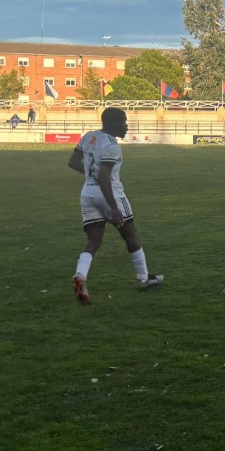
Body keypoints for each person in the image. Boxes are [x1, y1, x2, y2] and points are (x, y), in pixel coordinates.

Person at [67, 107, 163, 304]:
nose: (126, 126)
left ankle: (80, 275)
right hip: (110, 195)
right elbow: (104, 177)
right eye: (123, 122)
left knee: (93, 240)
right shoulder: (112, 146)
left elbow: (73, 162)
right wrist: (113, 207)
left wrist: (89, 175)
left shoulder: (89, 137)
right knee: (131, 236)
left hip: (87, 194)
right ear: (111, 124)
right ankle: (144, 278)